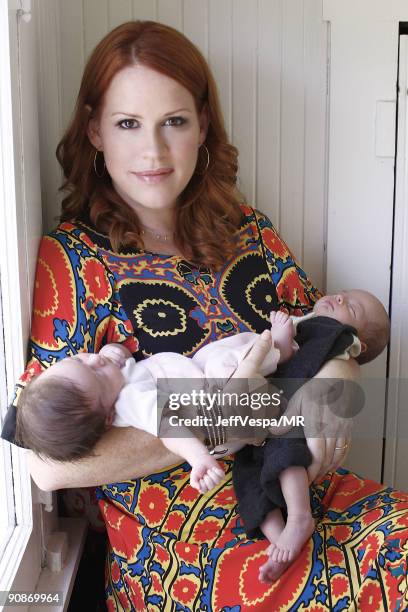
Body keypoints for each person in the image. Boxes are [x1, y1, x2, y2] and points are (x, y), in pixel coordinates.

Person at [1, 20, 407, 611]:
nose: (154, 151)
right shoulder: (74, 260)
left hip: (302, 497)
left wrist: (337, 379)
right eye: (128, 124)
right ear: (94, 131)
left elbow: (333, 340)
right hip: (182, 549)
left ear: (203, 127)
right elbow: (47, 466)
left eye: (174, 121)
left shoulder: (252, 233)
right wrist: (229, 417)